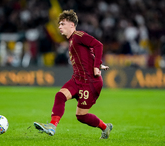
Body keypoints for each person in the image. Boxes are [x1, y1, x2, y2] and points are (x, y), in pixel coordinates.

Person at [34, 10, 113, 139]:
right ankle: (52, 126)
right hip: (77, 79)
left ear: (72, 25)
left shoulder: (78, 35)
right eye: (59, 24)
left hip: (90, 82)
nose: (59, 27)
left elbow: (98, 45)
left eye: (62, 24)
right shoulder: (71, 41)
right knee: (60, 96)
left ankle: (105, 127)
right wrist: (99, 64)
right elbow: (89, 54)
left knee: (81, 116)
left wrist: (95, 67)